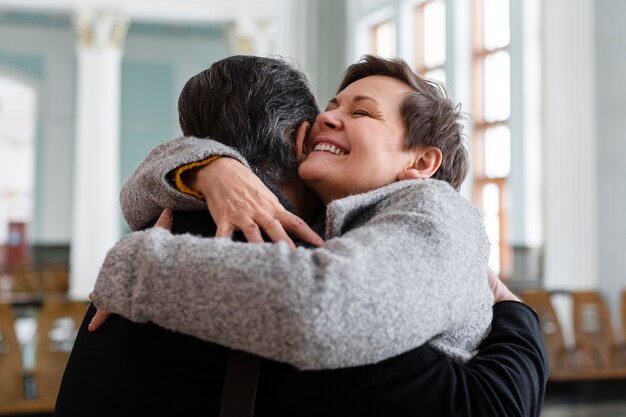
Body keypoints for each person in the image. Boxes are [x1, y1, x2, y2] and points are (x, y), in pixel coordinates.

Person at [56, 55, 548, 417]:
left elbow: (324, 305)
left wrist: (134, 263)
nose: (330, 118)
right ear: (299, 140)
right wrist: (207, 167)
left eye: (362, 112)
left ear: (420, 162)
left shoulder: (433, 213)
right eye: (329, 109)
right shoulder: (288, 246)